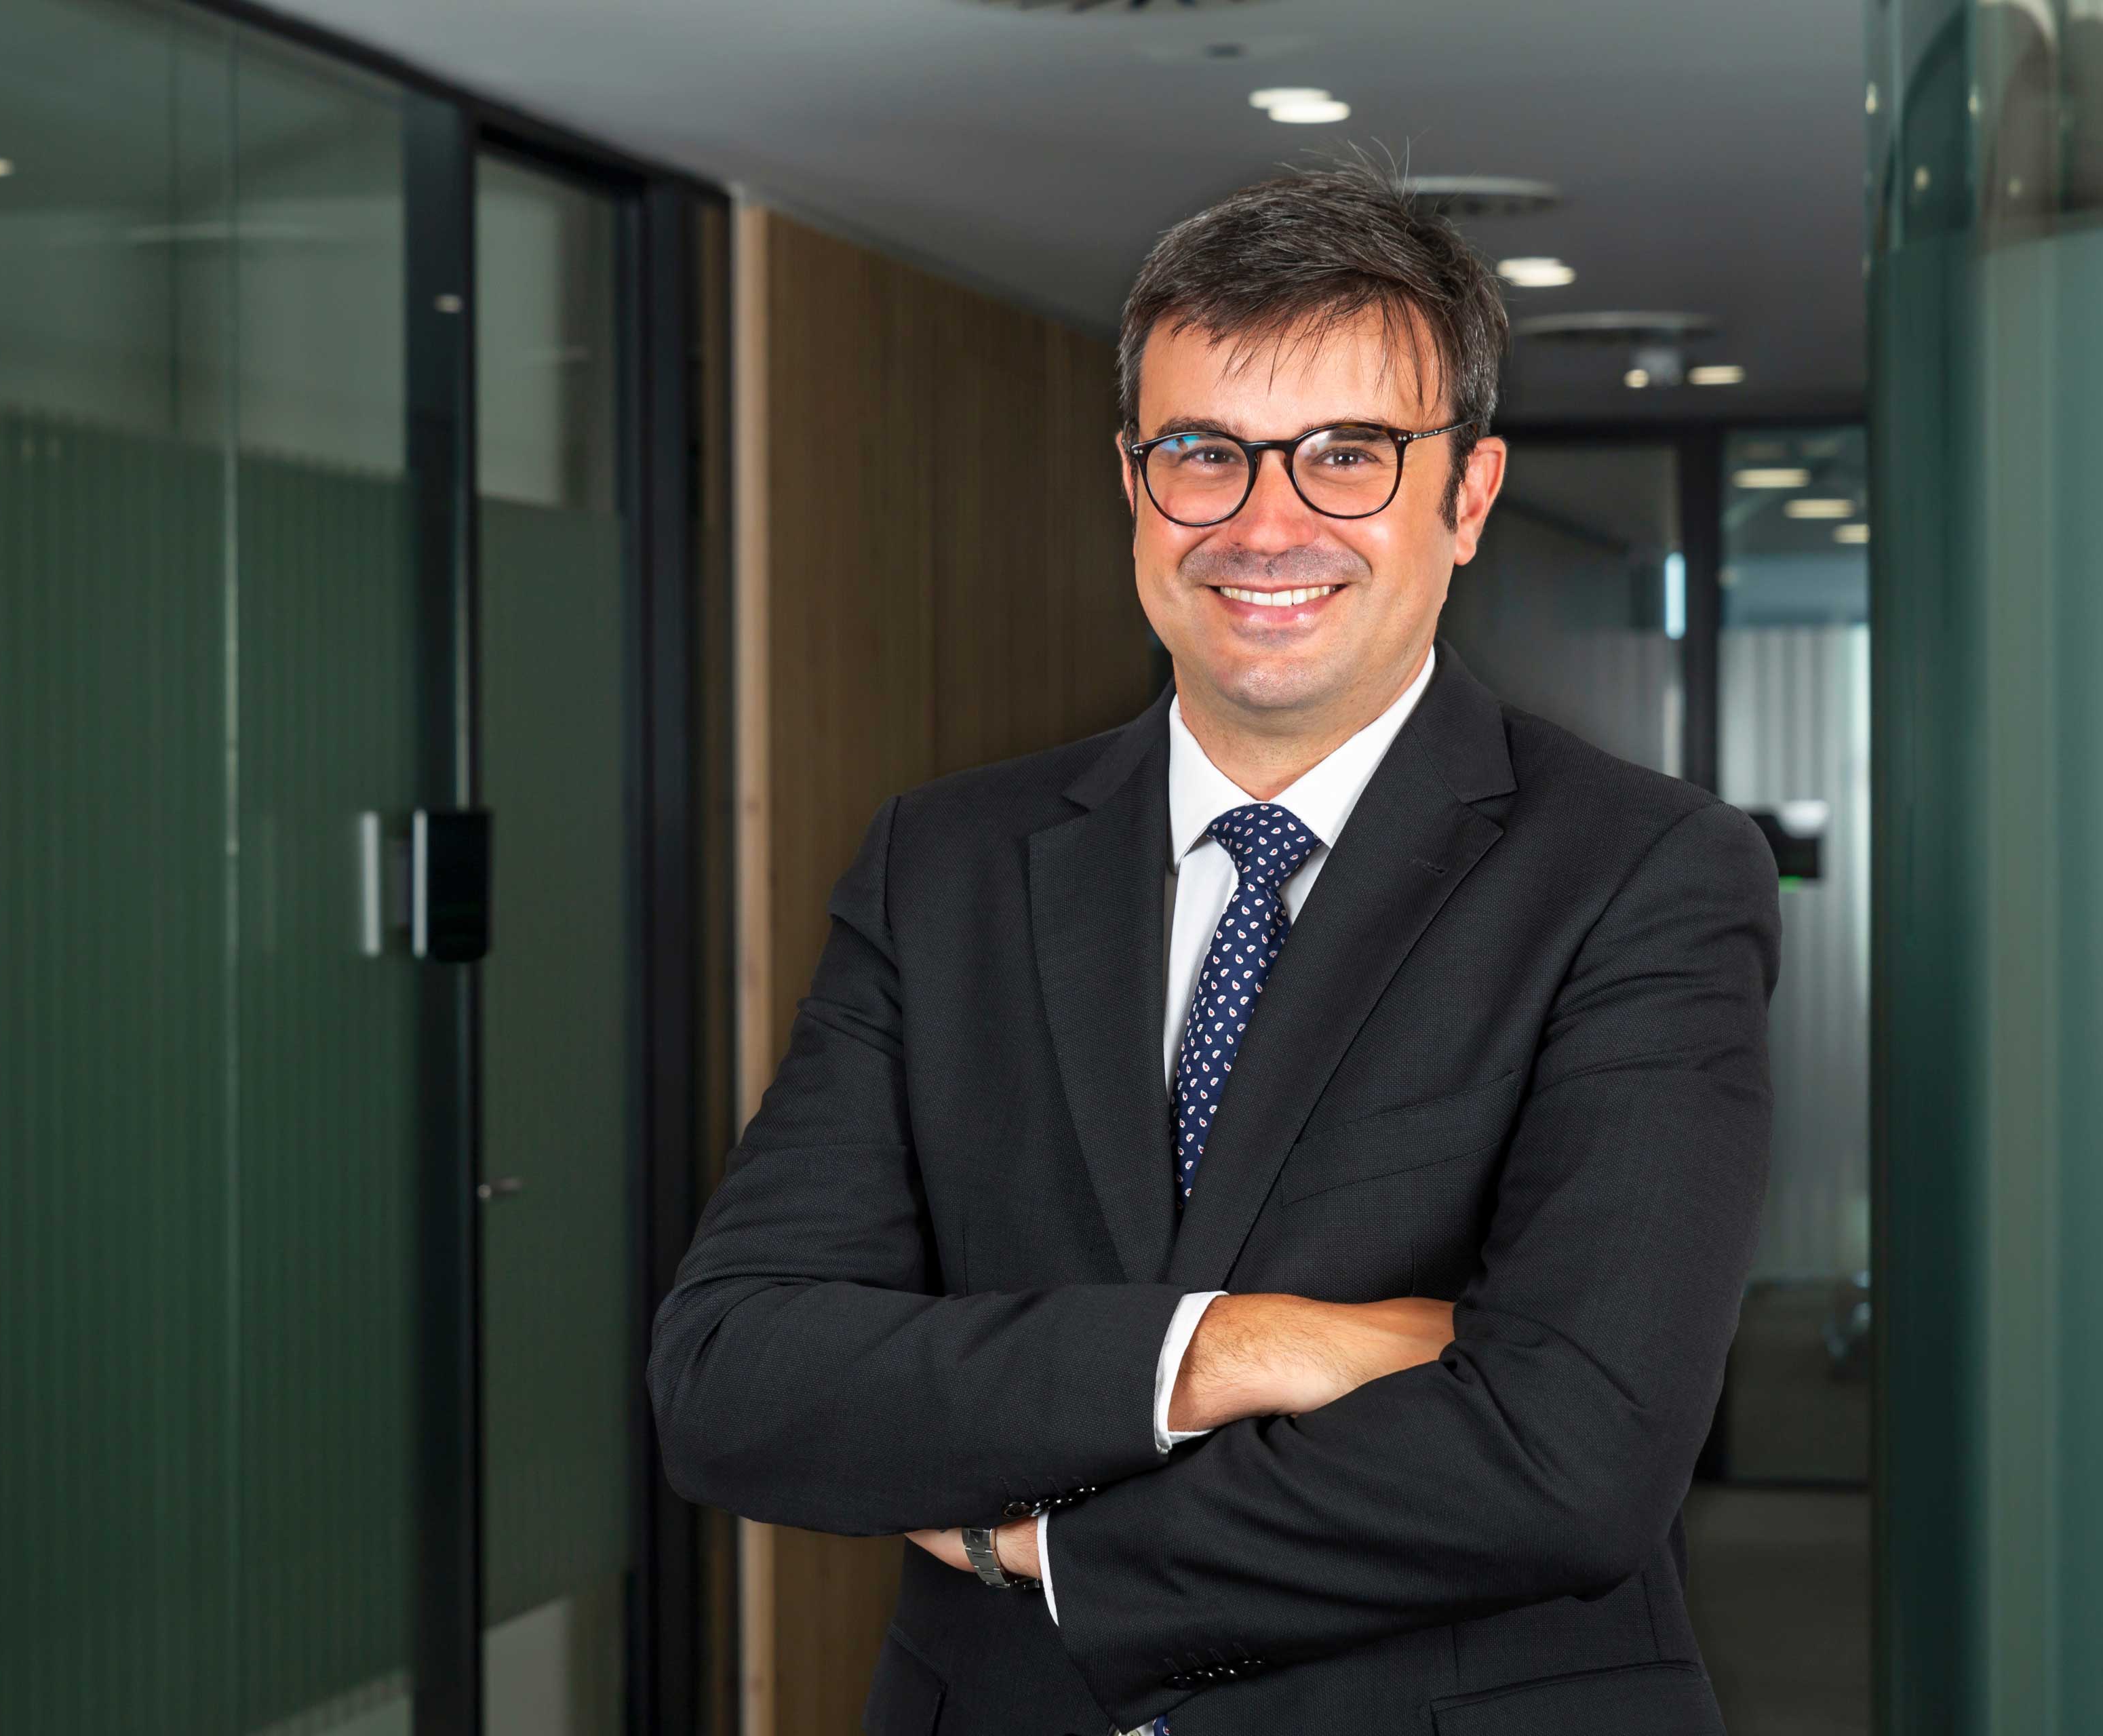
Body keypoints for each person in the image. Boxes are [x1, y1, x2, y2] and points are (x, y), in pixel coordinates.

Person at [648, 153, 1781, 1736]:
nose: (1266, 523)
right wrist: (1225, 1346)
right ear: (1135, 486)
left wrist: (1051, 1548)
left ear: (1468, 495)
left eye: (1347, 456)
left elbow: (1576, 1453)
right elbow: (734, 1375)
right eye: (1204, 453)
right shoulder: (945, 867)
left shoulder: (1641, 873)